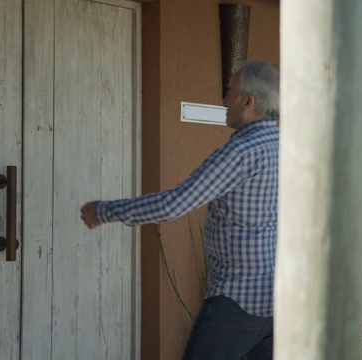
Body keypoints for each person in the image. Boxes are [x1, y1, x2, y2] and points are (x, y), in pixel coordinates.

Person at [80, 59, 279, 360]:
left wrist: (105, 211)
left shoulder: (241, 152)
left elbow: (173, 204)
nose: (224, 101)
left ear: (248, 102)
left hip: (238, 300)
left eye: (229, 93)